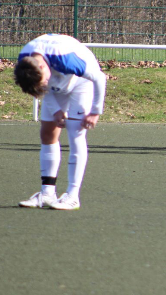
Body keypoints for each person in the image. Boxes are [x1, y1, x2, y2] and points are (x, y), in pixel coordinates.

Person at [14, 34, 107, 210]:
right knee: (48, 132)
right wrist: (56, 109)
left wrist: (95, 111)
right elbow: (41, 88)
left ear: (42, 66)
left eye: (44, 80)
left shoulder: (65, 58)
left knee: (75, 132)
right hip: (55, 87)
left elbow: (99, 78)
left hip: (81, 83)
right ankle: (47, 194)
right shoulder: (25, 62)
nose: (45, 83)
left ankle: (72, 196)